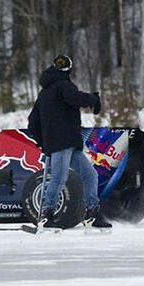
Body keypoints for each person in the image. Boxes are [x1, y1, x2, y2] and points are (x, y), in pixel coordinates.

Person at [26, 54, 110, 229]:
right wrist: (94, 99)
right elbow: (76, 98)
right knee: (59, 178)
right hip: (62, 143)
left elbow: (32, 122)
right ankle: (46, 214)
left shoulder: (44, 93)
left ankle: (92, 213)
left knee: (90, 175)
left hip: (68, 143)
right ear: (69, 70)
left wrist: (44, 142)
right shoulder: (64, 85)